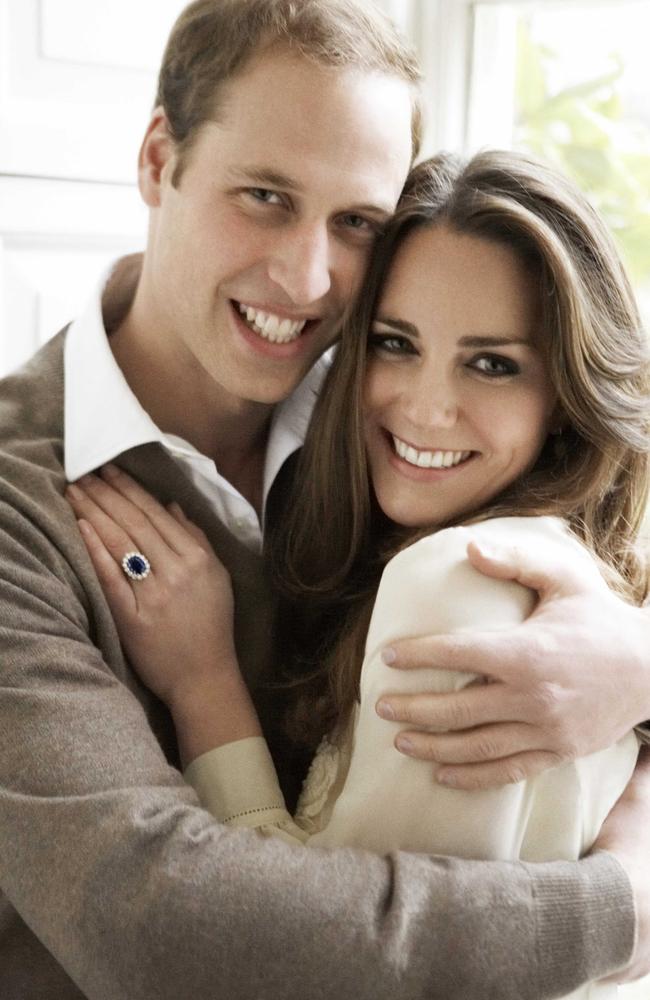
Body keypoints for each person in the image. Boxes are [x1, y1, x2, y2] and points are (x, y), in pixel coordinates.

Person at [0, 0, 649, 996]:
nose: (306, 279)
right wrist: (622, 908)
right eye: (263, 195)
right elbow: (158, 924)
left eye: (356, 223)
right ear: (156, 158)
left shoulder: (401, 418)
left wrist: (636, 660)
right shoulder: (18, 507)